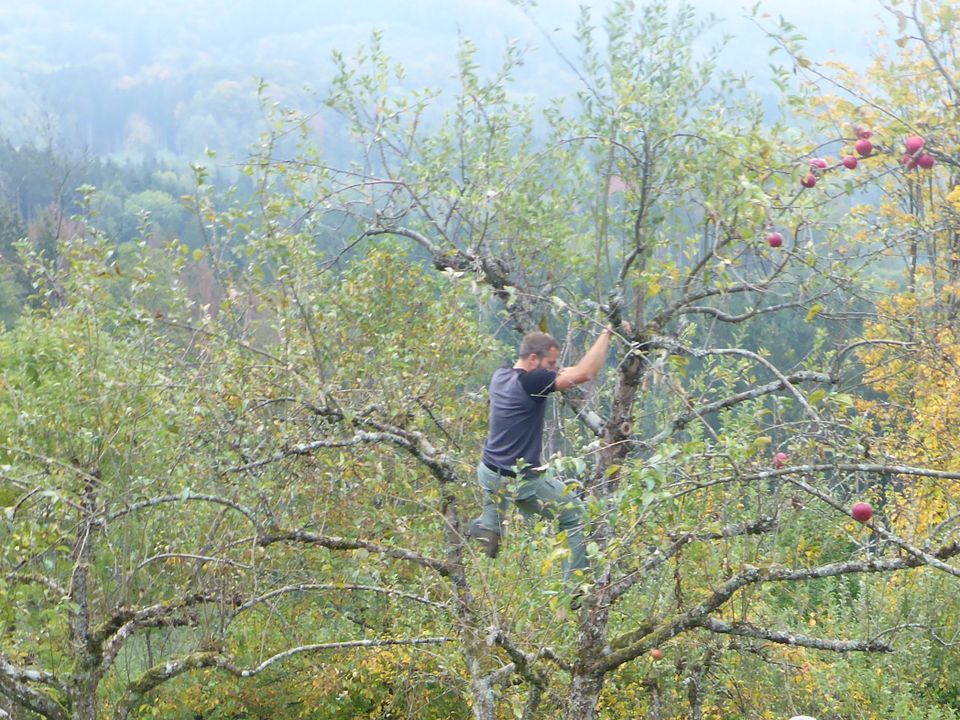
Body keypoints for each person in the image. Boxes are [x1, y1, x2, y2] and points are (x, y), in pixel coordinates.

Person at [467, 326, 614, 586]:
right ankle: (575, 589)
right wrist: (607, 333)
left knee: (493, 518)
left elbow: (554, 376)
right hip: (520, 480)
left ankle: (486, 525)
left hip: (489, 471)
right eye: (550, 363)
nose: (553, 369)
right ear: (533, 359)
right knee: (576, 515)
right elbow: (586, 373)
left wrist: (558, 372)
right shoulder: (533, 383)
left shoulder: (500, 375)